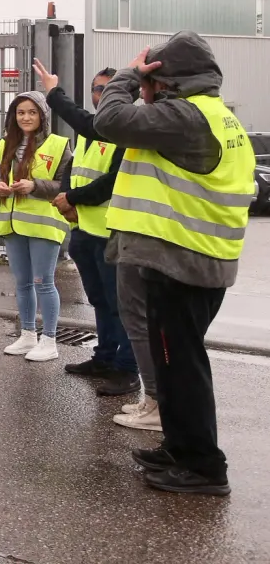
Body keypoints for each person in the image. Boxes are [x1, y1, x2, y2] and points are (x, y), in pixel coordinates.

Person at [97, 32, 253, 496]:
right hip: (195, 260)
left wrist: (129, 74)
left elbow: (110, 119)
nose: (145, 88)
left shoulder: (184, 115)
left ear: (163, 80)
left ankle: (204, 467)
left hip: (184, 262)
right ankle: (180, 448)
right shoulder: (213, 114)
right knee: (175, 364)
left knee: (182, 367)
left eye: (150, 79)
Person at [32, 59, 140, 402]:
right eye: (97, 89)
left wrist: (71, 197)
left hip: (111, 233)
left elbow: (112, 182)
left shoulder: (126, 130)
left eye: (108, 89)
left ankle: (126, 367)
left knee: (120, 304)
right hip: (84, 230)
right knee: (100, 301)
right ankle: (105, 356)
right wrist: (67, 197)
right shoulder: (92, 132)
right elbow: (73, 168)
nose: (101, 95)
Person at [0, 91, 72, 363]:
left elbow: (66, 185)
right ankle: (28, 334)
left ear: (43, 115)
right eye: (20, 112)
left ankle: (49, 339)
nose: (26, 117)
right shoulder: (4, 145)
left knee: (43, 282)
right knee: (23, 283)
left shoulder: (59, 145)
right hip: (13, 224)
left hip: (44, 225)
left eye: (32, 112)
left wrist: (34, 186)